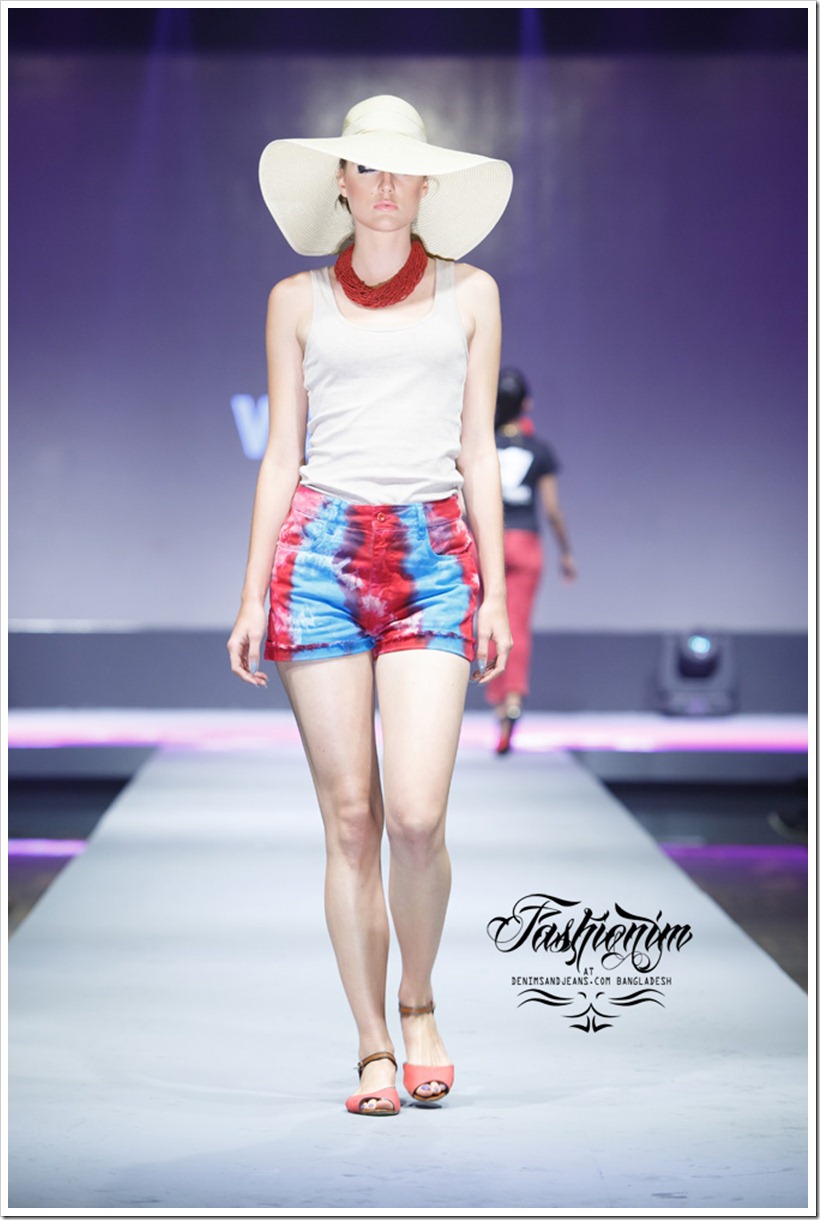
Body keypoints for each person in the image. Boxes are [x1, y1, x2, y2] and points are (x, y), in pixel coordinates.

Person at [227, 96, 513, 1116]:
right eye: (367, 167)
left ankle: (420, 1000)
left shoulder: (470, 292)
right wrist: (251, 591)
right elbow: (281, 455)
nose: (386, 183)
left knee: (417, 815)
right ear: (341, 185)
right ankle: (373, 1047)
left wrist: (494, 593)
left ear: (425, 185)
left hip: (433, 554)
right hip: (320, 556)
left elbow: (478, 448)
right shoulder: (294, 300)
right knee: (350, 819)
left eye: (403, 168)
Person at [487, 368, 577, 754]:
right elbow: (553, 510)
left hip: (487, 542)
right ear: (526, 404)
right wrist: (566, 553)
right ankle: (513, 700)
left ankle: (497, 705)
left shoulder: (481, 445)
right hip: (526, 542)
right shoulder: (539, 450)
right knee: (517, 625)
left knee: (490, 623)